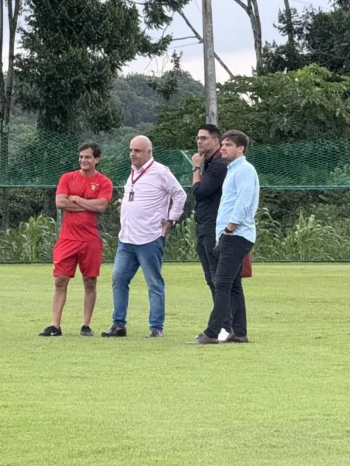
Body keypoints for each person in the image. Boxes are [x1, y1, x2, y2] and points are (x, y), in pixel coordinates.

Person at [103, 135, 187, 339]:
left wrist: (171, 219)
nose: (132, 154)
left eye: (137, 151)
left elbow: (180, 194)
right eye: (131, 150)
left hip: (150, 238)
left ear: (149, 152)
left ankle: (156, 327)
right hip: (127, 238)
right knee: (118, 279)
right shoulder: (132, 172)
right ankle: (118, 324)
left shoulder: (160, 172)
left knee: (154, 283)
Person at [191, 130, 259, 345]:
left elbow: (243, 202)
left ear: (241, 148)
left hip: (237, 234)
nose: (223, 148)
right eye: (223, 145)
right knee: (233, 285)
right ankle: (239, 332)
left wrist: (229, 229)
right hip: (229, 234)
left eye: (228, 145)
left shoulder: (245, 170)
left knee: (221, 283)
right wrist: (223, 233)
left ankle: (211, 333)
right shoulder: (233, 170)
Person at [41, 143, 114, 337]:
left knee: (90, 281)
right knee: (60, 280)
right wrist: (86, 204)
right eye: (81, 157)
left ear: (96, 159)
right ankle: (55, 325)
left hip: (91, 239)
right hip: (67, 238)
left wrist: (78, 200)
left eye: (88, 157)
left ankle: (85, 325)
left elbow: (100, 206)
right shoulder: (67, 178)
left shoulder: (104, 182)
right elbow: (60, 202)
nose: (83, 160)